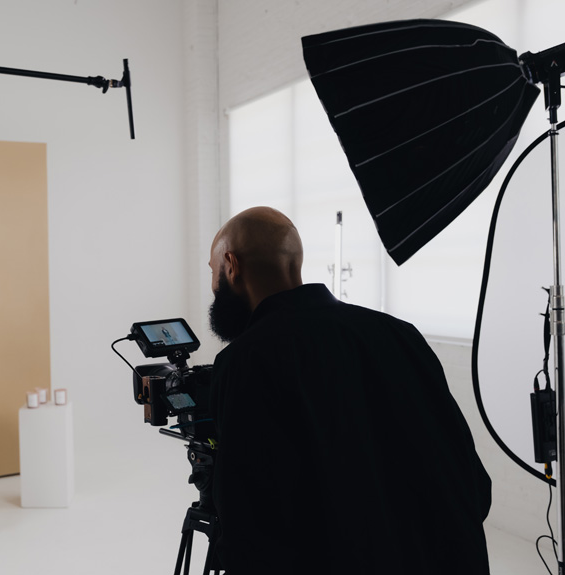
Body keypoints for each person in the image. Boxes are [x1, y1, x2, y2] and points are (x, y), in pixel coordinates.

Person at [207, 207, 491, 574]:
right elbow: (472, 484)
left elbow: (250, 535)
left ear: (231, 265)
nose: (214, 286)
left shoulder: (246, 361)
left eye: (214, 273)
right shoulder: (399, 334)